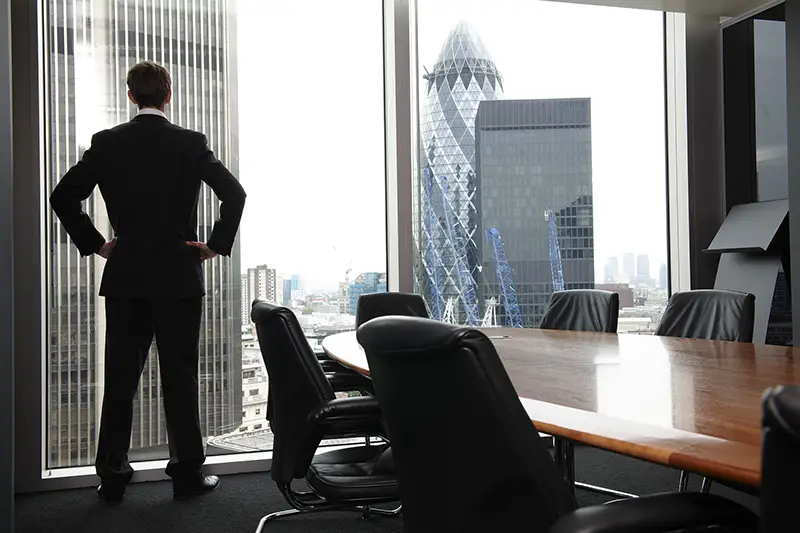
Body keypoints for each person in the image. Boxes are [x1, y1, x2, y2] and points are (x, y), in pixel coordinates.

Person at [49, 61, 246, 504]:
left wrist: (98, 244)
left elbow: (62, 196)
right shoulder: (190, 143)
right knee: (180, 379)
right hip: (178, 278)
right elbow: (235, 194)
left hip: (127, 279)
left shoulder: (107, 143)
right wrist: (213, 245)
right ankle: (187, 478)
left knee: (120, 380)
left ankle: (113, 480)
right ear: (168, 95)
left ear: (131, 96)